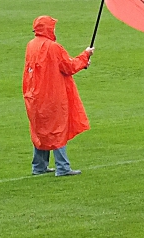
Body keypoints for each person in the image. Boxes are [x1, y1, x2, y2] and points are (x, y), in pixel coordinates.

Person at [23, 15, 93, 177]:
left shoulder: (31, 45)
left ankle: (39, 166)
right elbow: (68, 66)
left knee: (40, 129)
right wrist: (85, 56)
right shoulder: (53, 47)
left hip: (33, 95)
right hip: (52, 95)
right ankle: (62, 167)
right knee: (57, 129)